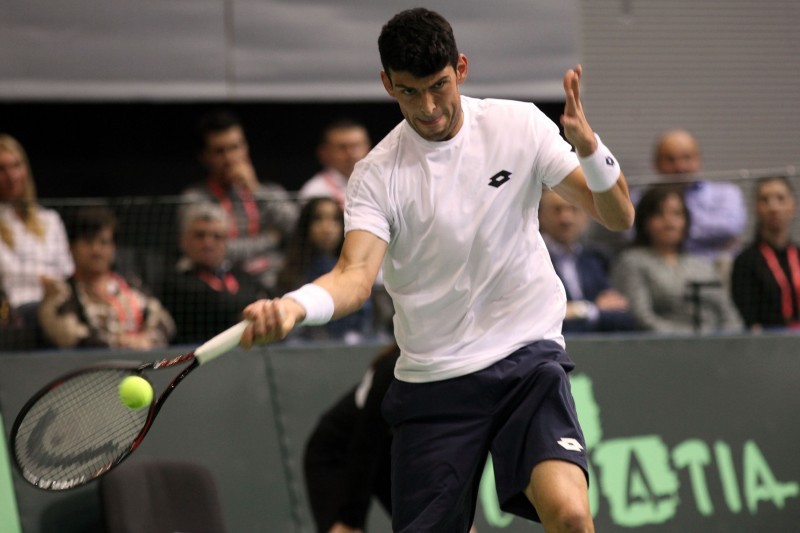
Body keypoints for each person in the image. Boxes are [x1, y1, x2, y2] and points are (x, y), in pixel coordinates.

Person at [240, 8, 635, 532]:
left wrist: (590, 149)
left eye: (438, 86)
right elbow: (354, 277)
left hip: (526, 356)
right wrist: (294, 306)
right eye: (409, 92)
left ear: (461, 69)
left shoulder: (519, 126)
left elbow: (618, 215)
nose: (427, 108)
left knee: (570, 515)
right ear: (387, 84)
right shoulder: (376, 176)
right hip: (435, 380)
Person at [180, 110, 299, 291]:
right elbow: (215, 250)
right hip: (225, 285)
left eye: (235, 147)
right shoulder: (195, 198)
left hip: (276, 281)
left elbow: (299, 229)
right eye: (219, 151)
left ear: (246, 148)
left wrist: (257, 192)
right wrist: (272, 239)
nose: (229, 159)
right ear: (204, 157)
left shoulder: (269, 191)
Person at [37, 206, 175, 349]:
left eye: (103, 242)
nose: (96, 250)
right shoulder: (61, 293)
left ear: (113, 247)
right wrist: (120, 344)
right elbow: (69, 336)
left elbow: (165, 321)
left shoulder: (130, 285)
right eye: (88, 242)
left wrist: (147, 340)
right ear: (71, 248)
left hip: (143, 359)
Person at [611, 187, 742, 334]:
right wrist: (691, 339)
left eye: (677, 213)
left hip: (716, 342)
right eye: (659, 213)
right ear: (644, 221)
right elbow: (642, 318)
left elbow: (729, 314)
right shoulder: (632, 262)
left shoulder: (701, 264)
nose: (669, 221)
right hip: (663, 343)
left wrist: (727, 340)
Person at [304, 343, 398, 533]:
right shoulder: (392, 370)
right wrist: (350, 520)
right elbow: (366, 444)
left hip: (385, 451)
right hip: (336, 452)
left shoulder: (450, 363)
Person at [161, 203, 270, 344]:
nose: (208, 244)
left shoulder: (242, 276)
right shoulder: (172, 279)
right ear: (183, 240)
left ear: (227, 242)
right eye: (200, 235)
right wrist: (250, 307)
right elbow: (214, 306)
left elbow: (268, 299)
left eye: (217, 237)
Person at [276, 197, 374, 344]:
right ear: (306, 225)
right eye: (318, 219)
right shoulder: (291, 273)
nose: (327, 228)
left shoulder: (355, 270)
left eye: (334, 220)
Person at [538, 189, 637, 333]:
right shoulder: (531, 260)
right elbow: (540, 319)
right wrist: (594, 310)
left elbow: (622, 316)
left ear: (586, 216)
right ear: (540, 216)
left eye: (574, 209)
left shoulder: (597, 259)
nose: (566, 218)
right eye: (557, 210)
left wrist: (581, 311)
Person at [0, 133, 74, 322]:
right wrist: (44, 278)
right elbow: (8, 273)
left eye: (16, 165)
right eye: (1, 169)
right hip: (14, 309)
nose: (11, 176)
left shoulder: (50, 219)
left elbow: (66, 269)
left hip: (57, 303)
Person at [653, 128, 747, 268]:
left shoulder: (726, 193)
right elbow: (633, 233)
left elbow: (730, 227)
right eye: (670, 159)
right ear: (657, 163)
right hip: (663, 271)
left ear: (698, 159)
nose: (680, 167)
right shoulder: (644, 199)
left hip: (716, 269)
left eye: (686, 157)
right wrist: (712, 235)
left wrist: (669, 232)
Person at [730, 176, 800, 330]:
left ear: (793, 206)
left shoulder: (797, 255)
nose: (773, 207)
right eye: (765, 200)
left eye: (780, 198)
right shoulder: (746, 261)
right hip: (769, 339)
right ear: (756, 208)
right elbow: (748, 318)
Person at [298, 119, 372, 209]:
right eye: (342, 147)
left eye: (356, 146)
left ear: (369, 149)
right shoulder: (314, 191)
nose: (351, 153)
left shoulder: (382, 183)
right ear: (324, 153)